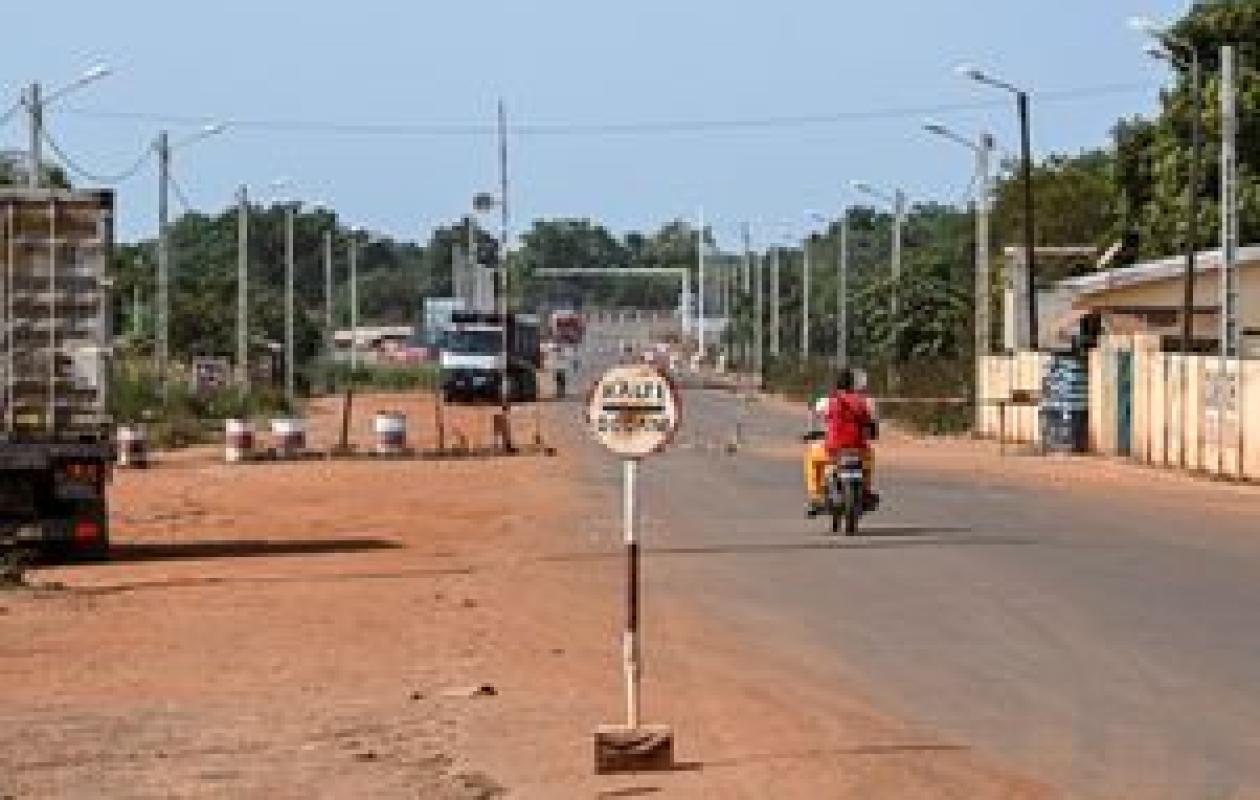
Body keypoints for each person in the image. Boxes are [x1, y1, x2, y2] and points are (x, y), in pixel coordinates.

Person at [804, 367, 878, 516]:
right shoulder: (866, 402)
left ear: (835, 385)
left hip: (832, 450)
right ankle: (866, 490)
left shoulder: (826, 402)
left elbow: (815, 416)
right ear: (853, 385)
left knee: (811, 458)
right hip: (859, 449)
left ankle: (815, 496)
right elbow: (873, 426)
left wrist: (811, 433)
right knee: (869, 460)